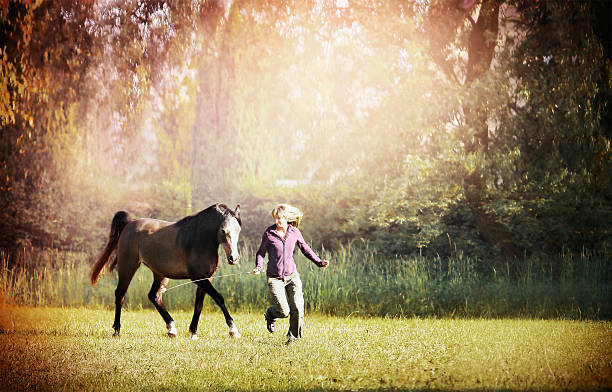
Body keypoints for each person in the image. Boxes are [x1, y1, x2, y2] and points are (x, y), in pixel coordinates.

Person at [252, 204, 329, 342]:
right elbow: (261, 253)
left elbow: (305, 249)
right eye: (275, 218)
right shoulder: (269, 233)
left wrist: (319, 262)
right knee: (284, 312)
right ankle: (271, 314)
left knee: (298, 309)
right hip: (275, 279)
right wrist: (258, 267)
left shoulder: (294, 232)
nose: (276, 221)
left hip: (292, 276)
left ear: (286, 218)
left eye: (279, 218)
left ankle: (292, 339)